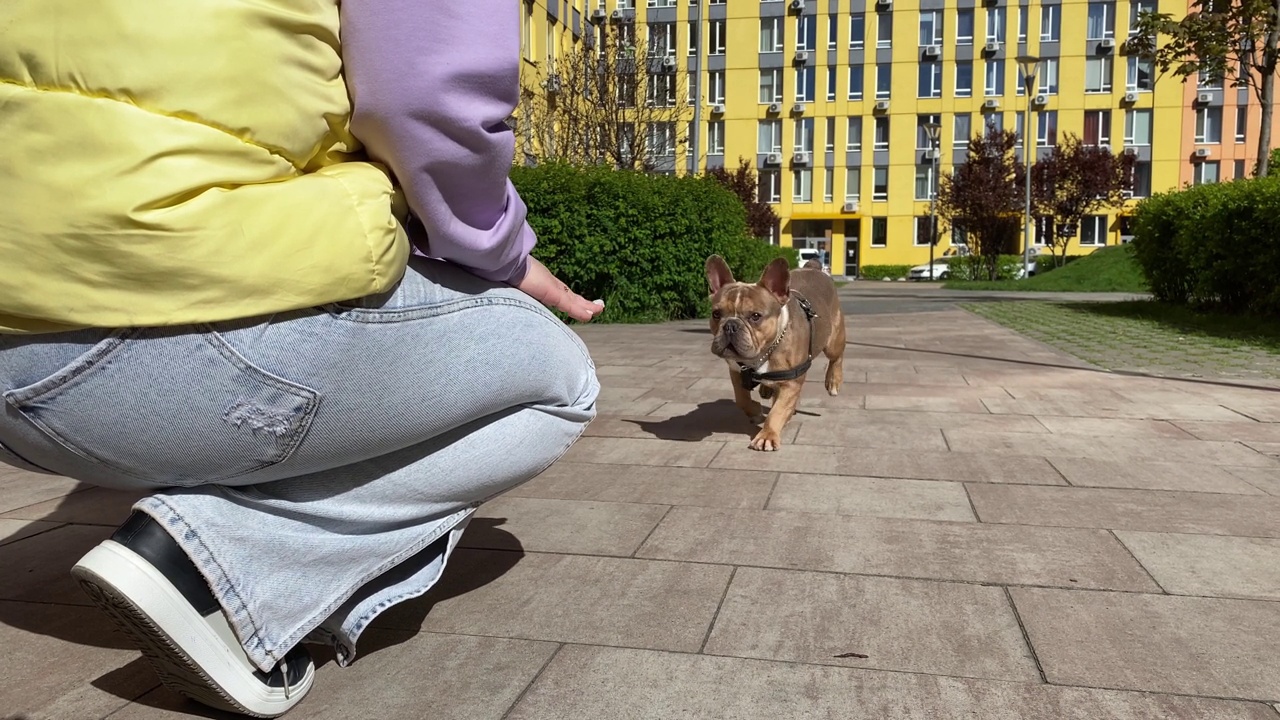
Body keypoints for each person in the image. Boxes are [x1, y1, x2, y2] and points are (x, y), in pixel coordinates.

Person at [0, 0, 601, 716]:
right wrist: (501, 252)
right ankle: (219, 572)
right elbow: (426, 97)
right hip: (147, 326)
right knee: (557, 377)